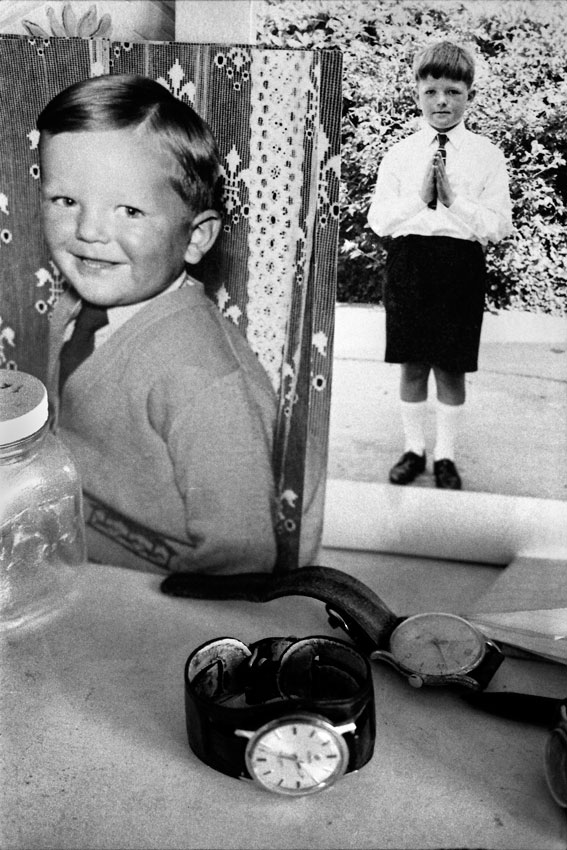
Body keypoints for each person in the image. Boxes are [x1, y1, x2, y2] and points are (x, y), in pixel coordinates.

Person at [39, 74, 278, 574]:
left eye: (129, 210)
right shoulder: (75, 307)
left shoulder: (204, 381)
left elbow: (240, 565)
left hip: (155, 605)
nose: (87, 231)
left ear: (196, 238)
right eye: (65, 201)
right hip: (71, 561)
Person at [367, 41, 513, 490]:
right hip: (411, 261)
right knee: (411, 365)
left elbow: (498, 225)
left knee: (450, 368)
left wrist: (454, 201)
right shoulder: (401, 153)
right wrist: (419, 196)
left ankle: (445, 456)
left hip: (460, 264)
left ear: (469, 94)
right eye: (431, 92)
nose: (442, 102)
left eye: (452, 91)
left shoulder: (486, 154)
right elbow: (378, 220)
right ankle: (414, 450)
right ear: (417, 94)